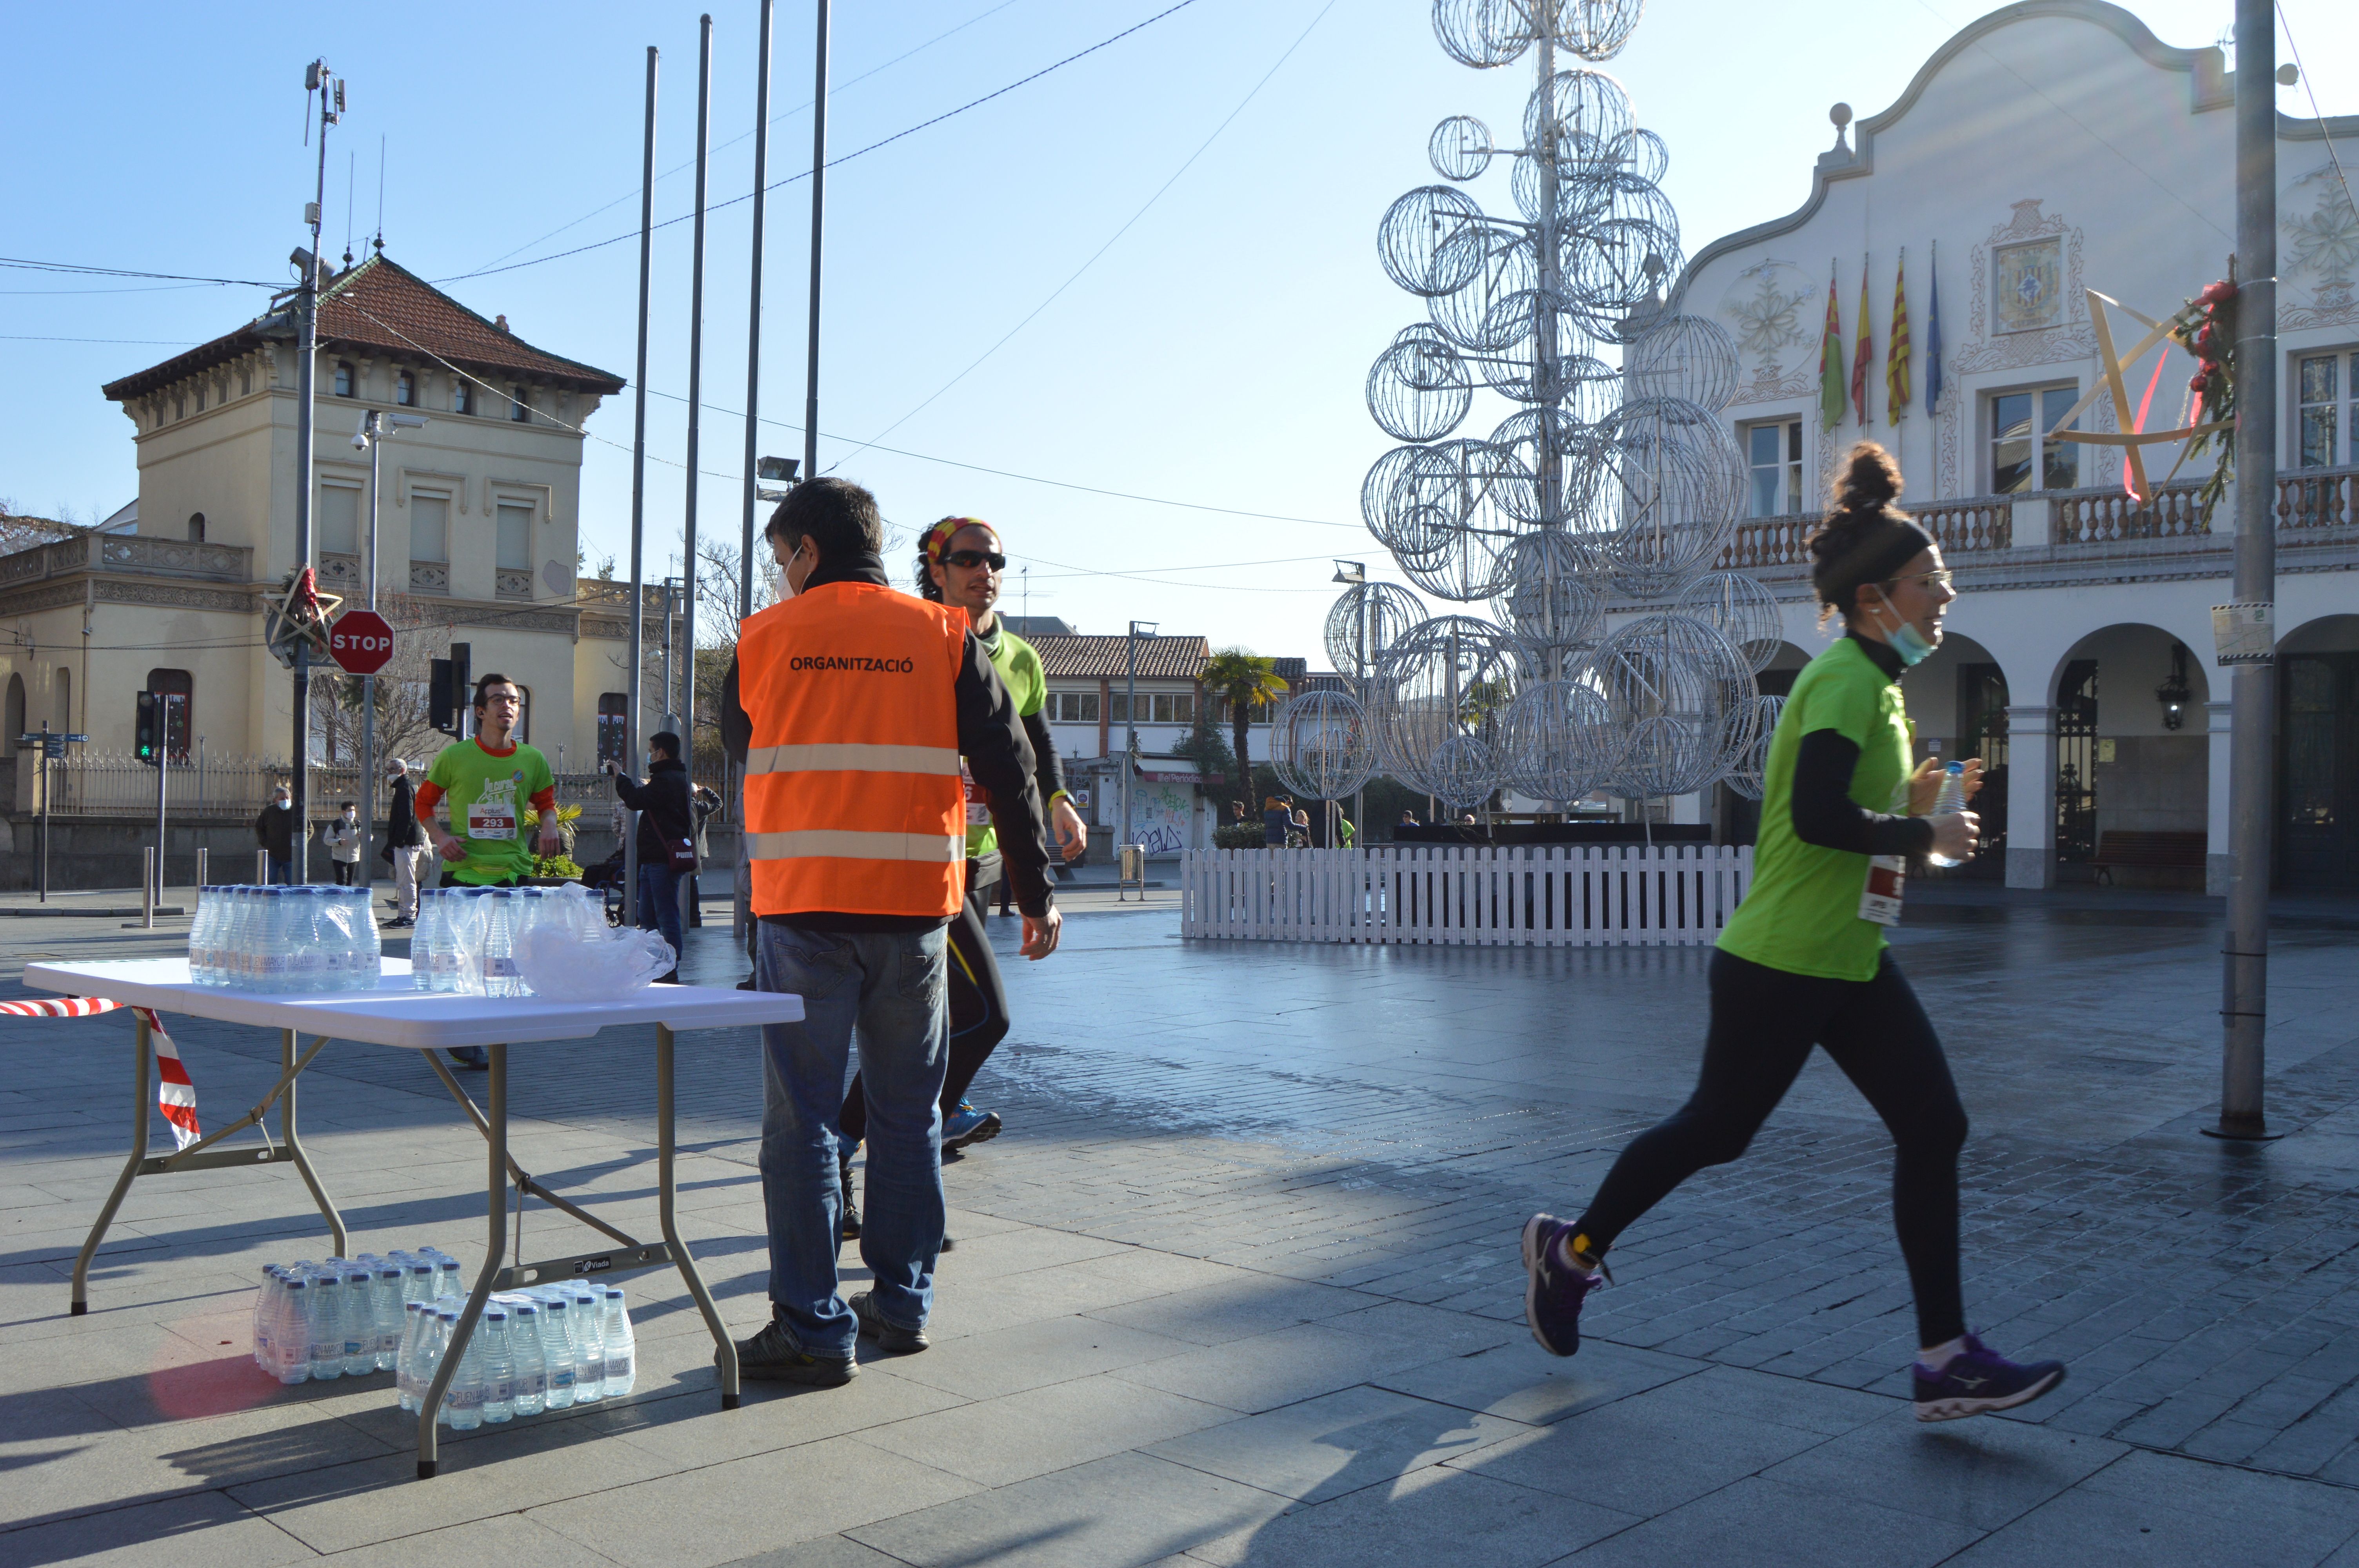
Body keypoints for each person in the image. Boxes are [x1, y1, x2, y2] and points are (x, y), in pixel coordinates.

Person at [1519, 444, 2065, 1424]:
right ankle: (1573, 1249)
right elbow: (1815, 816)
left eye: (1939, 580)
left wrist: (1919, 804)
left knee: (1934, 1125)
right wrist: (1920, 828)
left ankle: (1944, 1358)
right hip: (1780, 961)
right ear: (1874, 600)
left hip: (1845, 958)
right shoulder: (1847, 683)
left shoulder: (1876, 683)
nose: (1945, 593)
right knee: (1714, 1132)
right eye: (1927, 580)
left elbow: (1849, 816)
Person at [720, 477, 1062, 1385]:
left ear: (804, 551)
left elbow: (736, 738)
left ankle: (811, 1325)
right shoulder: (942, 636)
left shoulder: (763, 637)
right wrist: (1034, 895)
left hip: (802, 914)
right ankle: (901, 1303)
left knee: (802, 1125)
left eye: (778, 556)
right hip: (915, 915)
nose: (777, 573)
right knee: (910, 1118)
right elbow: (1013, 764)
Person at [836, 515, 1088, 1234]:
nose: (985, 571)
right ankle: (882, 1158)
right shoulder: (916, 638)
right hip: (919, 862)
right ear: (935, 569)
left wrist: (1059, 803)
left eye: (995, 560)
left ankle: (893, 1168)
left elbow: (1033, 747)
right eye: (968, 560)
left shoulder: (1020, 657)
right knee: (980, 1020)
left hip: (974, 864)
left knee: (939, 1037)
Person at [414, 674, 560, 1069]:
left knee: (504, 962)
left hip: (512, 875)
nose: (508, 706)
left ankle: (489, 1032)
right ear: (481, 711)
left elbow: (546, 802)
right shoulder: (456, 757)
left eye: (514, 700)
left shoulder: (531, 759)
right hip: (464, 876)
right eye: (498, 700)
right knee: (463, 962)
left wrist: (549, 824)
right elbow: (423, 804)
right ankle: (461, 1034)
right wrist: (440, 838)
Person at [607, 730, 695, 984]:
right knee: (648, 916)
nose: (649, 755)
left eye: (651, 750)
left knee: (665, 915)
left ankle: (671, 967)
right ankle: (654, 963)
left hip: (662, 861)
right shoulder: (670, 778)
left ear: (661, 752)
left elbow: (635, 800)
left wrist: (620, 776)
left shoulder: (668, 779)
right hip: (653, 860)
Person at [383, 760, 426, 927]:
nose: (388, 773)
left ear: (401, 770)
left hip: (407, 842)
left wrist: (399, 840)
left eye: (391, 769)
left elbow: (406, 816)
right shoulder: (407, 786)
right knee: (404, 879)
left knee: (406, 880)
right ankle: (404, 914)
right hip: (409, 840)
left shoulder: (404, 788)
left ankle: (408, 915)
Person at [254, 784, 295, 884]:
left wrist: (301, 844)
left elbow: (309, 829)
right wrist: (265, 843)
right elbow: (259, 827)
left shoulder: (296, 811)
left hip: (291, 855)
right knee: (269, 883)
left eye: (287, 798)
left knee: (293, 883)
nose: (285, 800)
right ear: (275, 800)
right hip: (272, 854)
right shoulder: (269, 811)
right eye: (282, 798)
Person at [322, 802, 363, 886]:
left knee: (349, 882)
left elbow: (370, 837)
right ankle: (340, 897)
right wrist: (339, 842)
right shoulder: (335, 825)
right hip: (339, 857)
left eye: (354, 810)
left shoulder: (358, 824)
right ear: (344, 812)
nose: (353, 812)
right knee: (341, 881)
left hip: (354, 857)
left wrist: (363, 837)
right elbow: (327, 840)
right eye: (350, 810)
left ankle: (347, 898)